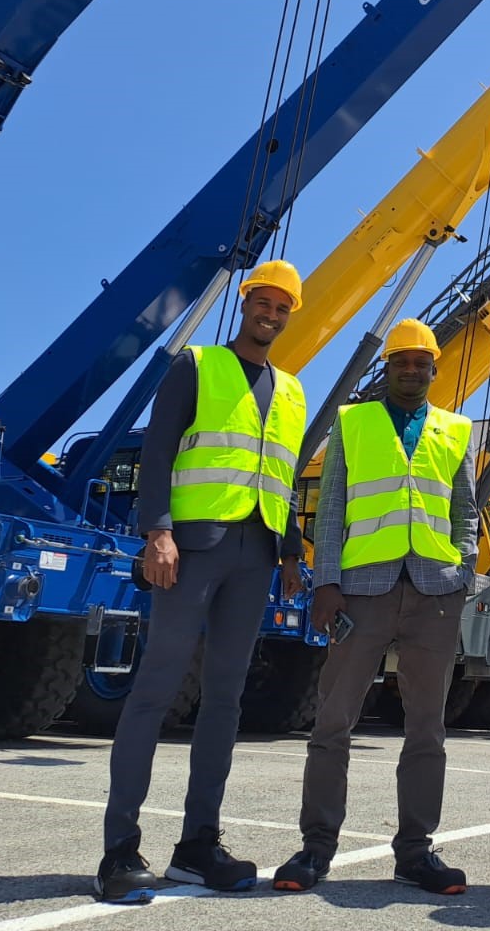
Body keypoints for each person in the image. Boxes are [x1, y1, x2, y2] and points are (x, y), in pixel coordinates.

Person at [95, 260, 308, 904]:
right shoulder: (197, 365)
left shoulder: (294, 391)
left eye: (281, 307)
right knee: (156, 689)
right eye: (262, 302)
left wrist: (293, 552)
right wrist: (157, 532)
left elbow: (284, 476)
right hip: (192, 548)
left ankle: (196, 847)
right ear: (246, 304)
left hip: (257, 554)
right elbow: (158, 452)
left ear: (290, 315)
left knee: (225, 699)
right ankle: (119, 852)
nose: (270, 313)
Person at [273, 318, 478, 897]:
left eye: (421, 362)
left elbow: (466, 510)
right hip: (361, 591)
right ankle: (316, 847)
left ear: (435, 369)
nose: (411, 369)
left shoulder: (454, 430)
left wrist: (462, 569)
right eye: (401, 361)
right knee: (333, 720)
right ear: (386, 369)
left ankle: (416, 851)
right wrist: (326, 583)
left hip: (435, 593)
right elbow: (331, 509)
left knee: (427, 728)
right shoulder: (352, 423)